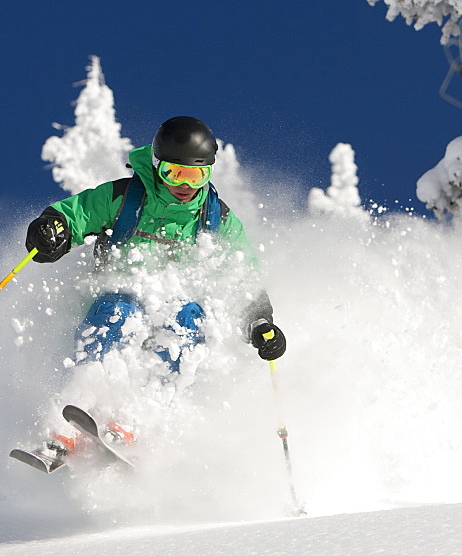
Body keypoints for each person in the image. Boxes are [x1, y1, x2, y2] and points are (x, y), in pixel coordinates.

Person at [23, 116, 286, 463]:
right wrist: (52, 229)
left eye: (196, 175)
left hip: (178, 302)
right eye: (174, 173)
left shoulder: (216, 218)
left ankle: (130, 422)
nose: (185, 184)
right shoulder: (125, 197)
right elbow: (77, 214)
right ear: (158, 166)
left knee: (188, 323)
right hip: (118, 291)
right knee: (120, 313)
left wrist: (259, 322)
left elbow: (242, 275)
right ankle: (72, 420)